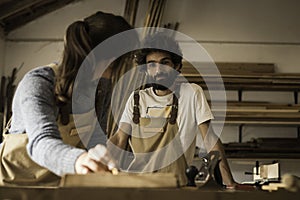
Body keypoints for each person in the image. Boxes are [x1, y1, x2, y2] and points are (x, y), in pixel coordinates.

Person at [1, 11, 137, 185]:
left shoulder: (101, 89)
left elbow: (94, 141)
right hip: (14, 186)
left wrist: (104, 161)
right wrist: (78, 161)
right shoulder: (38, 82)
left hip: (61, 184)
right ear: (110, 60)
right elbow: (41, 143)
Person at [109, 32, 237, 187]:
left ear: (176, 66)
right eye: (152, 65)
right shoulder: (137, 99)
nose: (158, 70)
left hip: (177, 184)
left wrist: (230, 183)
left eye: (165, 63)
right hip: (139, 184)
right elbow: (119, 139)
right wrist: (100, 172)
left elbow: (209, 139)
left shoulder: (192, 93)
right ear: (146, 70)